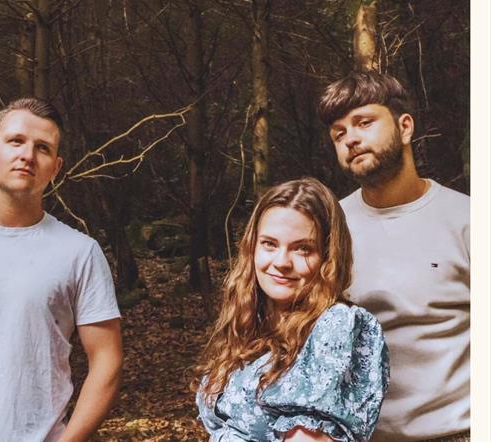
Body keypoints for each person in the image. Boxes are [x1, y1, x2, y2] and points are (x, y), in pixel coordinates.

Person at [0, 98, 123, 442]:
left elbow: (107, 360)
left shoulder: (80, 253)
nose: (27, 155)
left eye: (42, 148)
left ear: (55, 166)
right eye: (16, 141)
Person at [318, 72, 470, 442]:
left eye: (364, 123)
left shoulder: (468, 220)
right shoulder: (327, 229)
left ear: (405, 127)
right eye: (339, 133)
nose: (350, 138)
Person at [194, 178, 389, 442]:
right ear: (252, 247)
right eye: (270, 244)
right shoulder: (252, 321)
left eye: (303, 249)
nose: (282, 262)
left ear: (328, 257)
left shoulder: (336, 326)